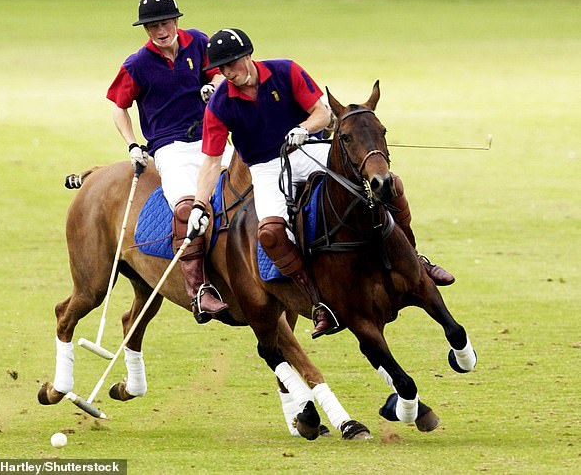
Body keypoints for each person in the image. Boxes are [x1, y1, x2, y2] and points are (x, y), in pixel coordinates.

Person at [188, 28, 455, 339]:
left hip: (307, 149)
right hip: (265, 167)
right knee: (270, 233)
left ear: (248, 56)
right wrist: (198, 204)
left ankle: (415, 258)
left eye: (233, 63)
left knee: (390, 184)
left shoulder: (285, 71)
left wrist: (303, 129)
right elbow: (210, 161)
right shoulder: (220, 104)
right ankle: (318, 302)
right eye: (222, 69)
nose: (229, 73)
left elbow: (321, 112)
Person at [106, 0, 233, 323]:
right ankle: (199, 290)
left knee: (254, 184)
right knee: (186, 208)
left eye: (164, 23)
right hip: (170, 147)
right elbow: (118, 107)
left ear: (176, 20)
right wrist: (133, 144)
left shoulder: (199, 43)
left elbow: (220, 74)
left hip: (211, 139)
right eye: (152, 26)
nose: (160, 31)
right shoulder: (137, 64)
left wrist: (215, 85)